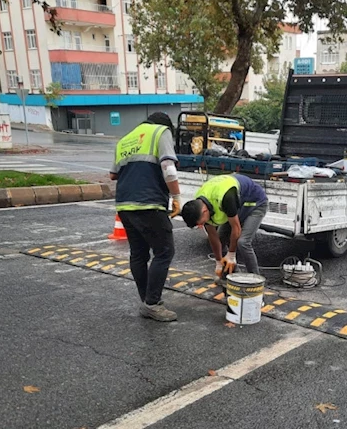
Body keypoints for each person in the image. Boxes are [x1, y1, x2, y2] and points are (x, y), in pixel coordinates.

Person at [110, 112, 181, 322]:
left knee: (139, 253)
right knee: (164, 251)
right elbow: (168, 167)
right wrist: (176, 196)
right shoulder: (161, 132)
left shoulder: (125, 140)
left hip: (124, 204)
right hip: (148, 203)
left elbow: (113, 174)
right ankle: (152, 304)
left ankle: (147, 300)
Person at [180, 174, 268, 279]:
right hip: (235, 205)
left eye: (200, 223)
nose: (200, 226)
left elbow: (236, 228)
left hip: (255, 203)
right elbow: (213, 237)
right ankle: (232, 276)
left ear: (204, 211)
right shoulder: (200, 205)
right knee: (221, 239)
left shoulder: (226, 197)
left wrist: (231, 254)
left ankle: (255, 280)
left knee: (243, 242)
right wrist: (218, 262)